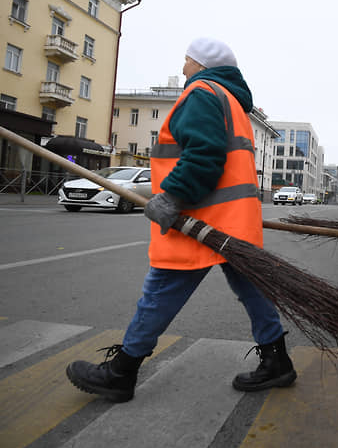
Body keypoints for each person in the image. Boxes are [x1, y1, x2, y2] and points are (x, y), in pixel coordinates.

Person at [66, 37, 296, 402]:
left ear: (200, 64)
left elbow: (204, 156)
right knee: (252, 290)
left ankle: (121, 372)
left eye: (187, 60)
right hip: (233, 221)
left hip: (199, 221)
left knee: (160, 293)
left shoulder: (202, 93)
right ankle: (277, 360)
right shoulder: (231, 102)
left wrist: (172, 197)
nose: (183, 67)